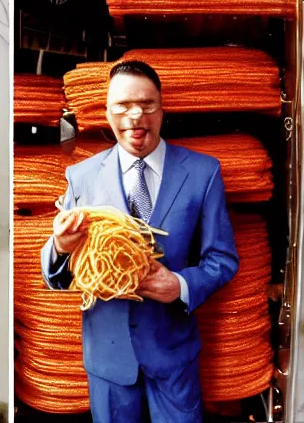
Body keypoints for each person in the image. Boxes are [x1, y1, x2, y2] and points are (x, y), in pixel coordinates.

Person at [41, 60, 239, 423]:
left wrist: (178, 285)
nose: (136, 115)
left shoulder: (202, 173)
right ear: (107, 111)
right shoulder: (81, 176)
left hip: (173, 353)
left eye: (147, 104)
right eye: (123, 105)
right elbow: (56, 275)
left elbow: (222, 259)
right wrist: (61, 247)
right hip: (108, 357)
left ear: (162, 110)